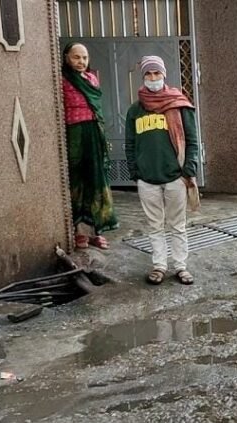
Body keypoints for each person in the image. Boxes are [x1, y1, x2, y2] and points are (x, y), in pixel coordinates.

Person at [125, 55, 200, 286]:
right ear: (143, 77)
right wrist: (135, 171)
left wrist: (188, 170)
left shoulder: (178, 104)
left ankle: (180, 266)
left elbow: (192, 140)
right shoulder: (136, 110)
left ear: (164, 75)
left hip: (175, 177)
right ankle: (159, 266)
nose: (153, 78)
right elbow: (130, 143)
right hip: (147, 180)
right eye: (149, 74)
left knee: (177, 225)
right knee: (154, 225)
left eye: (157, 73)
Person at [61, 43, 118, 250]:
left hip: (95, 134)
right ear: (66, 57)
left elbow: (98, 110)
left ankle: (96, 232)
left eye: (84, 58)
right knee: (80, 182)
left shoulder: (92, 79)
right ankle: (80, 232)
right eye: (76, 57)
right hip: (75, 135)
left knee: (97, 180)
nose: (81, 62)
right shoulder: (62, 80)